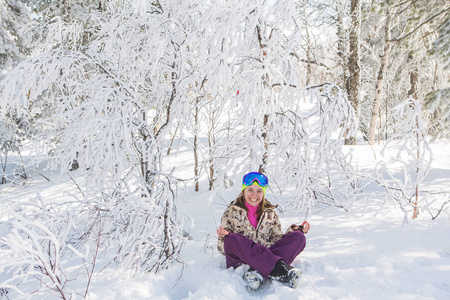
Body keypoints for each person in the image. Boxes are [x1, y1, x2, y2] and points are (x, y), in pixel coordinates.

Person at [217, 171, 310, 290]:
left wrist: (294, 231)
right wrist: (223, 237)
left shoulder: (270, 213)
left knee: (299, 238)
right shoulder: (231, 212)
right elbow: (223, 250)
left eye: (259, 191)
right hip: (242, 261)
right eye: (250, 190)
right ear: (244, 190)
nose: (254, 195)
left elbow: (277, 240)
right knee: (231, 238)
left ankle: (257, 272)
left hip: (266, 255)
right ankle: (280, 271)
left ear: (263, 193)